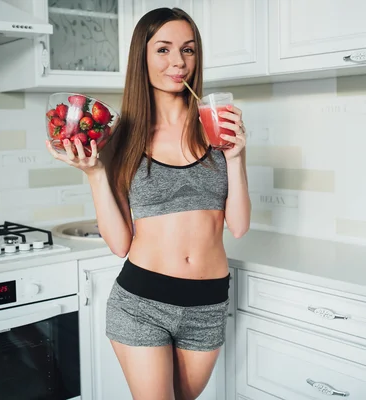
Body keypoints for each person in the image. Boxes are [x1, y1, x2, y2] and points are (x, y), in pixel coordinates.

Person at [46, 7, 250, 400]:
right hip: (141, 302)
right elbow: (121, 243)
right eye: (164, 50)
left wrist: (237, 156)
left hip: (207, 304)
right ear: (142, 56)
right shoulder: (119, 135)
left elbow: (238, 226)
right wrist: (94, 174)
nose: (178, 62)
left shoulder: (216, 126)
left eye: (188, 50)